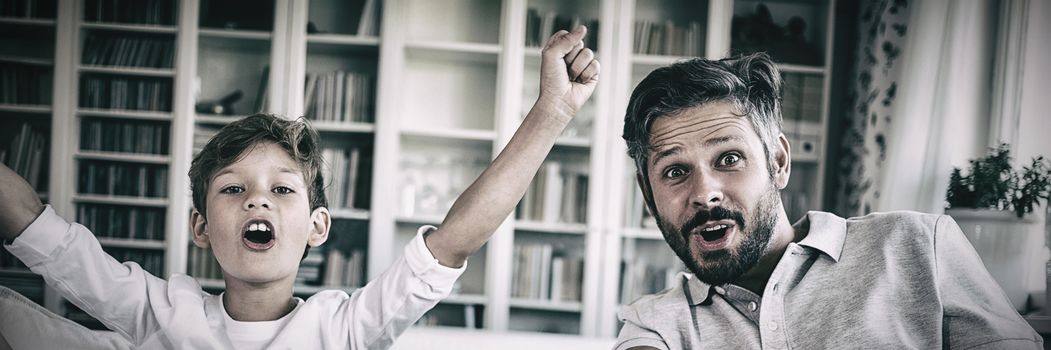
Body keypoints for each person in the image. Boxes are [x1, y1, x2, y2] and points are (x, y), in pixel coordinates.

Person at [0, 25, 599, 349]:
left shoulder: (344, 327)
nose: (257, 199)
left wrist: (551, 111)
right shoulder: (161, 311)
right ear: (201, 227)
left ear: (318, 226)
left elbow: (452, 242)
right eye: (232, 189)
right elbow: (40, 231)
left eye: (283, 190)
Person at [614, 53, 1042, 349]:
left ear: (778, 162)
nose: (704, 192)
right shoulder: (656, 323)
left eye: (729, 158)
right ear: (649, 196)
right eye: (675, 171)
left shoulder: (918, 245)